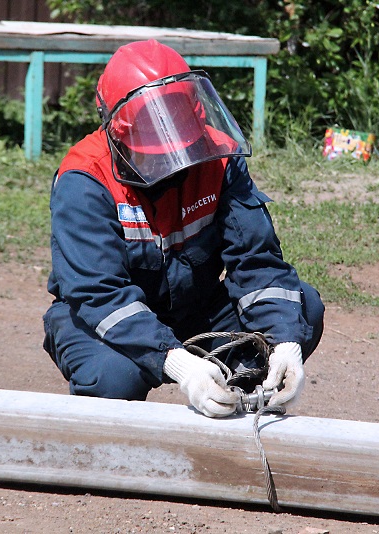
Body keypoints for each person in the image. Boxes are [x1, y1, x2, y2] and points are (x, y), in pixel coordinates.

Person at [42, 39, 324, 418]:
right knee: (114, 378)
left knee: (303, 307)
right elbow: (98, 295)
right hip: (106, 318)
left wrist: (285, 343)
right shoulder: (85, 180)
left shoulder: (220, 159)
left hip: (197, 311)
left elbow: (258, 264)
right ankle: (109, 453)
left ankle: (240, 394)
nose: (173, 158)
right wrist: (177, 363)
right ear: (116, 131)